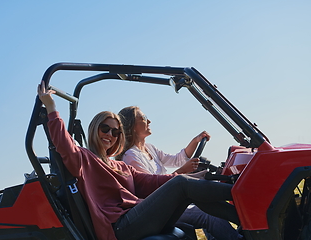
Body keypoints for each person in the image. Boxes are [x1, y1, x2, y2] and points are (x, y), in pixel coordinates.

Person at [37, 81, 240, 240]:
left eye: (116, 131)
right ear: (94, 130)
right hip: (120, 227)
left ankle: (246, 217)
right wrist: (51, 108)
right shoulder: (83, 158)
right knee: (181, 186)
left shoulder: (121, 166)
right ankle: (245, 192)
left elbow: (152, 182)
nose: (110, 134)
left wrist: (195, 176)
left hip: (136, 217)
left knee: (187, 190)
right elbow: (63, 144)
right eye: (105, 129)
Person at [118, 106, 243, 240]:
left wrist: (196, 141)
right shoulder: (131, 156)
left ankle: (243, 222)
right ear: (132, 126)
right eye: (143, 118)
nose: (149, 122)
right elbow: (152, 189)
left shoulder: (149, 148)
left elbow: (177, 160)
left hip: (171, 202)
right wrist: (183, 171)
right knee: (208, 215)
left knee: (205, 199)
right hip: (160, 209)